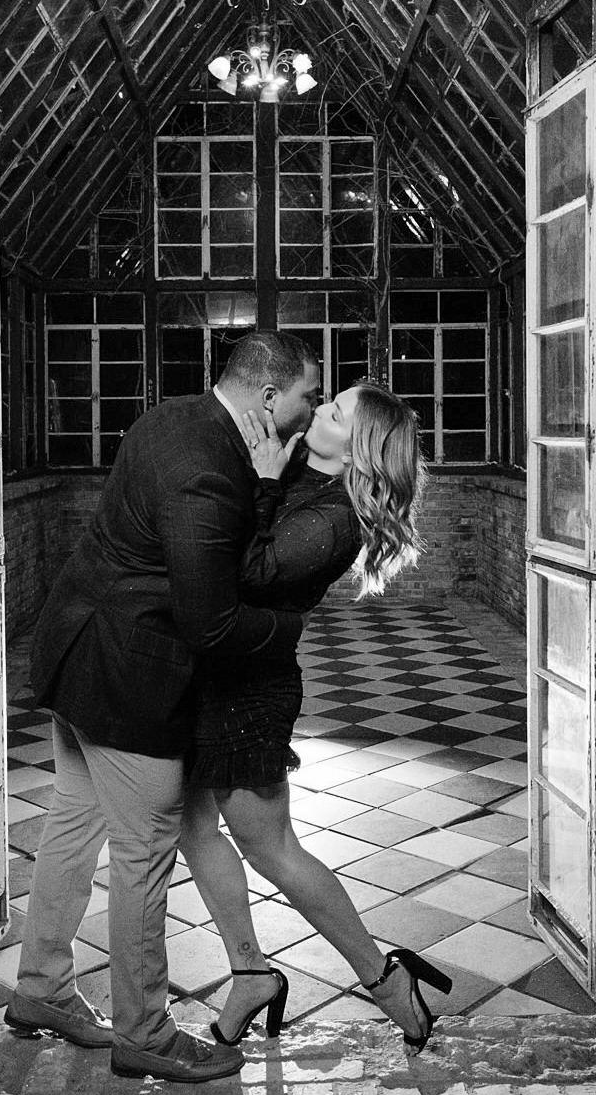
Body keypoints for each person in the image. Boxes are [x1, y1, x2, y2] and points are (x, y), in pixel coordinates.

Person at [4, 330, 324, 1083]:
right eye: (308, 396)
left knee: (72, 825)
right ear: (269, 396)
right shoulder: (207, 470)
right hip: (128, 679)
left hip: (77, 652)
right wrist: (287, 630)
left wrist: (266, 483)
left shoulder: (171, 416)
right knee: (144, 851)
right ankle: (145, 1032)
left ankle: (42, 988)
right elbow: (211, 621)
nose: (312, 410)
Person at [174, 382, 453, 1052]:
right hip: (215, 672)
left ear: (355, 448)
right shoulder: (301, 473)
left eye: (335, 412)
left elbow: (248, 571)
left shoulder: (335, 517)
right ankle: (250, 974)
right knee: (191, 826)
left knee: (271, 847)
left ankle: (384, 978)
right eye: (326, 400)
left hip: (251, 690)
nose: (320, 409)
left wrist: (264, 482)